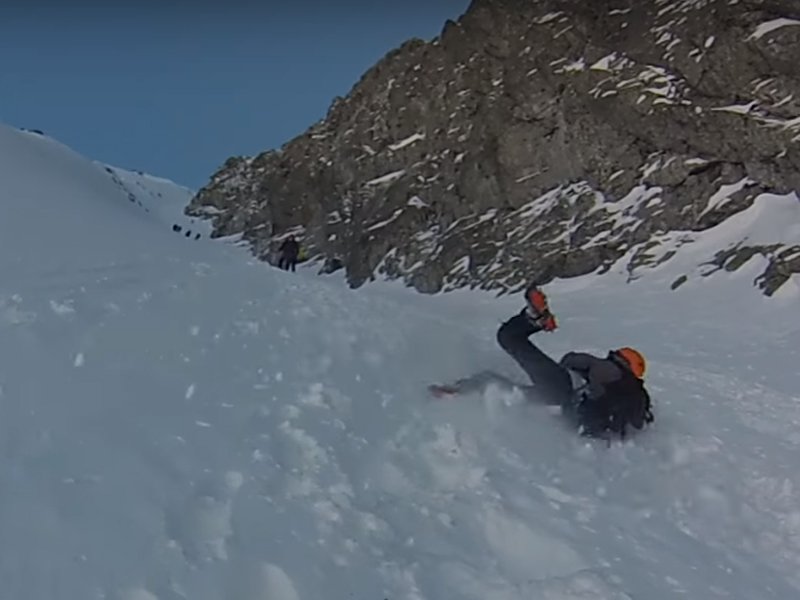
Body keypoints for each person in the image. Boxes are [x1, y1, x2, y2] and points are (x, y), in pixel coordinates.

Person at [432, 284, 654, 440]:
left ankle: (535, 319)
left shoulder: (608, 368)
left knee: (509, 338)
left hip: (563, 389)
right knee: (506, 391)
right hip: (566, 410)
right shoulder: (632, 394)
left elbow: (571, 360)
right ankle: (457, 392)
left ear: (622, 359)